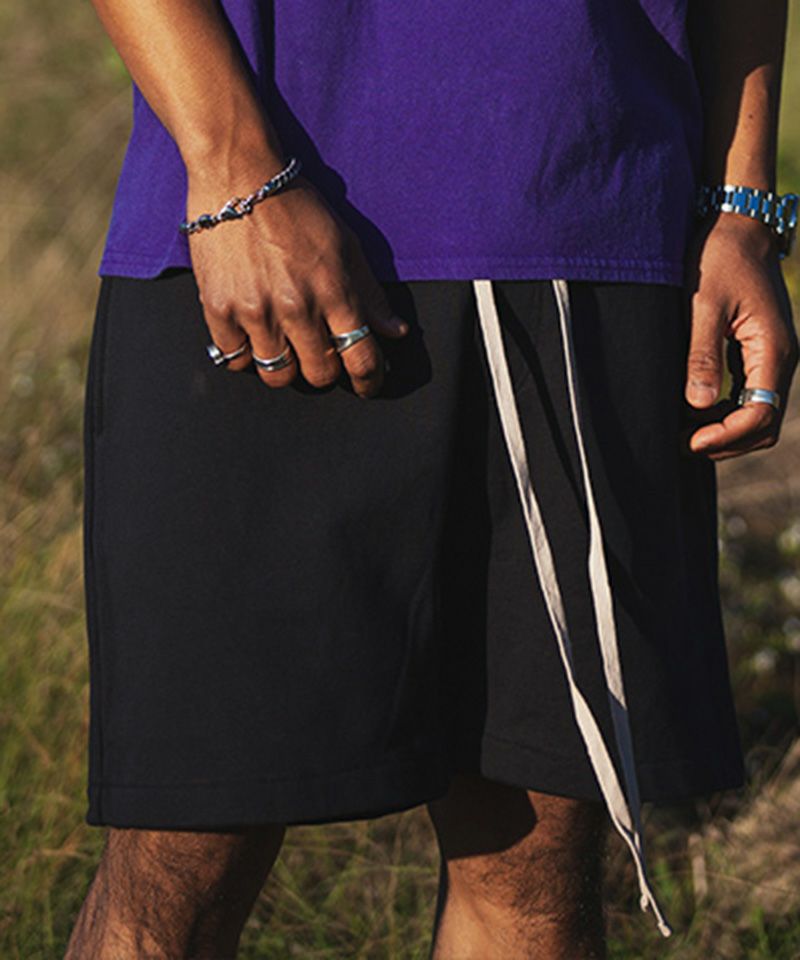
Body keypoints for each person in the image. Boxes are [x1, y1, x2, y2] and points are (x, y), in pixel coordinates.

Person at [66, 0, 797, 957]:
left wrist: (742, 207)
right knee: (184, 855)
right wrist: (231, 166)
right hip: (252, 240)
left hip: (589, 216)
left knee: (533, 870)